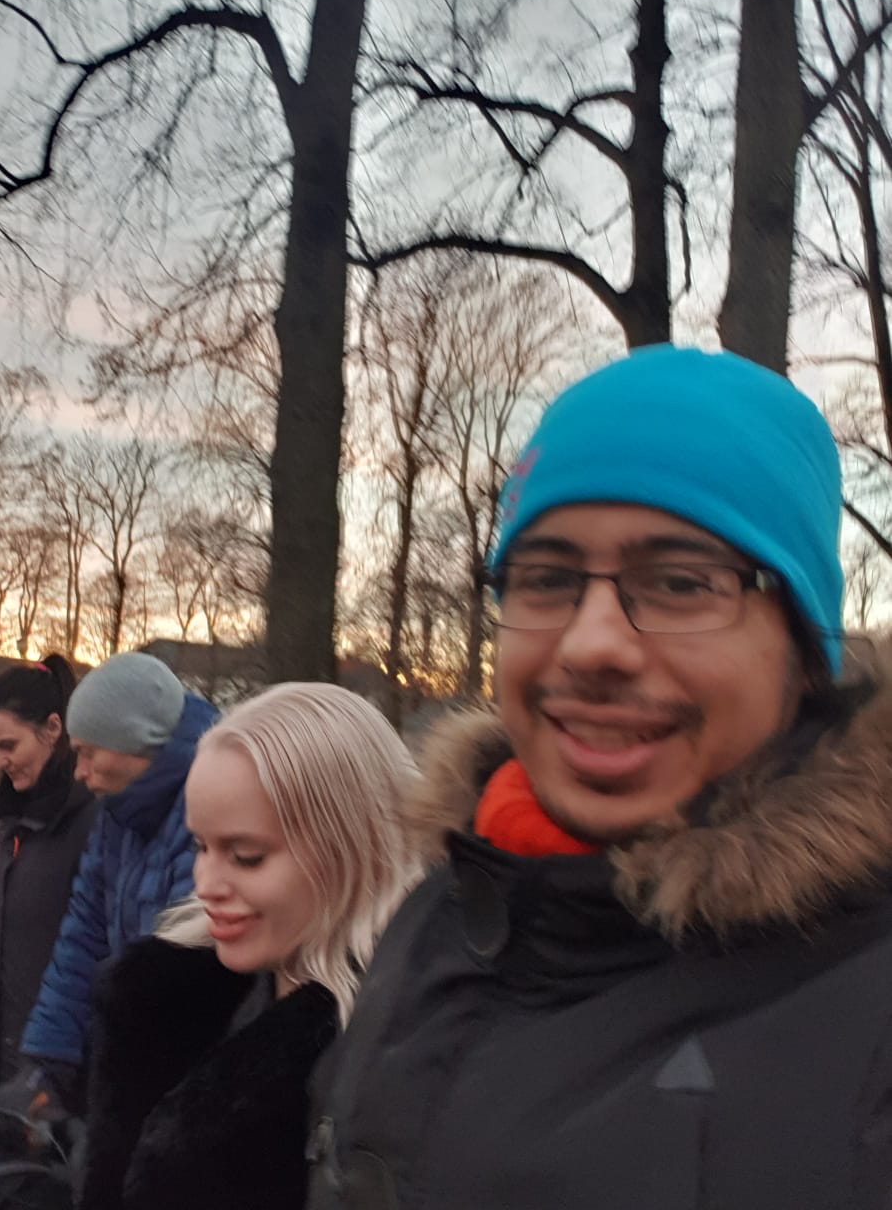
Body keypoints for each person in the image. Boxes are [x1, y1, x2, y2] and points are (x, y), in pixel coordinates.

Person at [307, 344, 892, 1210]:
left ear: (806, 655)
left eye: (680, 583)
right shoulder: (447, 906)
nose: (590, 645)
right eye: (547, 579)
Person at [79, 682, 422, 1210]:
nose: (206, 884)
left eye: (246, 856)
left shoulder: (404, 1054)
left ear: (354, 848)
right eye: (201, 846)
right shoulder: (159, 998)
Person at [12, 652, 218, 1113]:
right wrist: (51, 1060)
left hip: (183, 1075)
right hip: (130, 1056)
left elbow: (183, 972)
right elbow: (83, 931)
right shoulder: (117, 813)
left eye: (88, 752)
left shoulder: (206, 809)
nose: (79, 772)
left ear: (138, 743)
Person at [0, 655, 96, 1161]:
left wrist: (59, 1083)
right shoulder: (12, 822)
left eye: (8, 745)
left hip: (53, 1097)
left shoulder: (92, 825)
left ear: (53, 729)